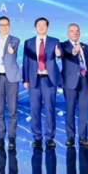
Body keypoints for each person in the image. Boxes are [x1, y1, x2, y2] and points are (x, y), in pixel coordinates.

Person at [23, 17, 62, 150]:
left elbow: (60, 53)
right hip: (34, 79)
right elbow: (26, 62)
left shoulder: (54, 41)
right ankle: (37, 137)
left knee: (50, 109)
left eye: (43, 25)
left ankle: (50, 137)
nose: (41, 27)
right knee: (35, 109)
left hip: (49, 79)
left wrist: (59, 53)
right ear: (35, 28)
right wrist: (25, 79)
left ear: (47, 27)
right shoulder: (28, 42)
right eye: (39, 25)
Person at [0, 16, 22, 151]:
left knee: (12, 110)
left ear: (10, 26)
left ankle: (12, 137)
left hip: (11, 79)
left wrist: (11, 50)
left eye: (6, 25)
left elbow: (13, 49)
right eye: (2, 25)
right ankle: (0, 137)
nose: (4, 27)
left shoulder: (15, 40)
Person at [60, 23, 88, 148]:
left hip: (84, 80)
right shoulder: (63, 45)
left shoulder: (86, 47)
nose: (75, 33)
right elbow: (65, 53)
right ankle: (70, 136)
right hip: (70, 81)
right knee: (70, 109)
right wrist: (75, 50)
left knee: (84, 110)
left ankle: (83, 136)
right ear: (67, 33)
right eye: (72, 31)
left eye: (77, 31)